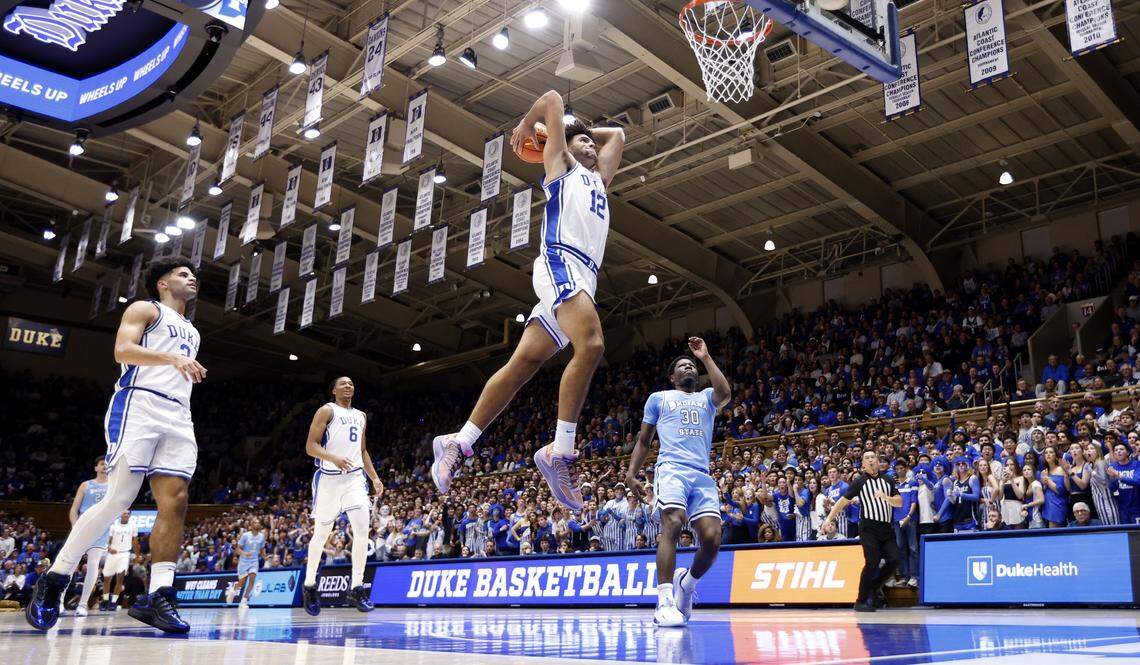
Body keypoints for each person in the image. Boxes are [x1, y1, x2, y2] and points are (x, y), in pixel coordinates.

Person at [430, 88, 626, 511]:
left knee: (523, 365)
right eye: (583, 141)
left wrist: (583, 130)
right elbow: (553, 98)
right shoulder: (560, 165)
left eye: (592, 143)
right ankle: (561, 451)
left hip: (583, 277)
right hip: (561, 261)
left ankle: (459, 441)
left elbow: (618, 136)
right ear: (563, 147)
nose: (592, 145)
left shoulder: (599, 180)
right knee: (592, 345)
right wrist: (531, 126)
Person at [26, 257, 205, 634]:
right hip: (139, 402)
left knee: (176, 501)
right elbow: (123, 351)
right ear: (162, 283)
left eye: (193, 275)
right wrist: (172, 357)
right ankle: (56, 577)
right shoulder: (145, 309)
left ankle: (159, 596)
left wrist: (178, 360)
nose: (192, 278)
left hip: (178, 414)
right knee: (118, 500)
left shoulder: (192, 330)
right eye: (182, 274)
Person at [625, 337, 731, 627]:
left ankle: (687, 584)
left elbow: (725, 393)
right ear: (672, 377)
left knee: (712, 539)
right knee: (672, 522)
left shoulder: (706, 397)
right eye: (683, 366)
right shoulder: (659, 398)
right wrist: (631, 474)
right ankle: (664, 602)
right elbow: (644, 440)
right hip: (672, 469)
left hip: (701, 474)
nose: (689, 368)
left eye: (692, 366)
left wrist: (705, 357)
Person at [300, 377, 384, 615]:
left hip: (354, 479)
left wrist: (375, 478)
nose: (348, 386)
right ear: (334, 390)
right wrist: (333, 458)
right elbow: (310, 446)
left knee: (362, 530)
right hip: (329, 480)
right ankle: (309, 585)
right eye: (343, 384)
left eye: (351, 384)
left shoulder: (361, 415)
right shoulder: (326, 411)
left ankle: (357, 587)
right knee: (321, 534)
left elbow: (362, 450)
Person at [822, 450, 902, 612]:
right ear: (863, 464)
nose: (870, 460)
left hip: (886, 528)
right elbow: (842, 501)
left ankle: (873, 586)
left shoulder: (888, 480)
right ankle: (861, 601)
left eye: (873, 457)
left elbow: (899, 502)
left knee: (895, 559)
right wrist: (829, 518)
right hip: (868, 528)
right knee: (872, 562)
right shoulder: (859, 482)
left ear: (878, 461)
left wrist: (886, 498)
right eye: (867, 458)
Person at [67, 456, 110, 616]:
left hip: (101, 529)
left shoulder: (113, 486)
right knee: (70, 565)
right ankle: (60, 601)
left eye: (107, 464)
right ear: (96, 468)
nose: (105, 466)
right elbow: (74, 509)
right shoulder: (86, 485)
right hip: (83, 527)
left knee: (93, 565)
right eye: (101, 464)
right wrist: (75, 527)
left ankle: (83, 605)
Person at [227, 517, 267, 609]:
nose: (257, 524)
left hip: (254, 561)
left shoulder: (262, 536)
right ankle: (233, 590)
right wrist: (244, 553)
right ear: (252, 525)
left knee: (252, 580)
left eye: (258, 523)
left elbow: (262, 550)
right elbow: (237, 550)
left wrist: (265, 557)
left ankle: (243, 601)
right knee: (242, 582)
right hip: (244, 562)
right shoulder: (245, 535)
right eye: (255, 522)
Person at [102, 511, 137, 611]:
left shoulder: (133, 525)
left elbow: (135, 541)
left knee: (120, 579)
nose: (125, 515)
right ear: (121, 514)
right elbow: (108, 540)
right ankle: (105, 601)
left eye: (127, 514)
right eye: (124, 513)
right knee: (107, 579)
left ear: (130, 515)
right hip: (112, 554)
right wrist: (109, 548)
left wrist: (137, 554)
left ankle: (113, 602)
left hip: (124, 554)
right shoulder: (114, 524)